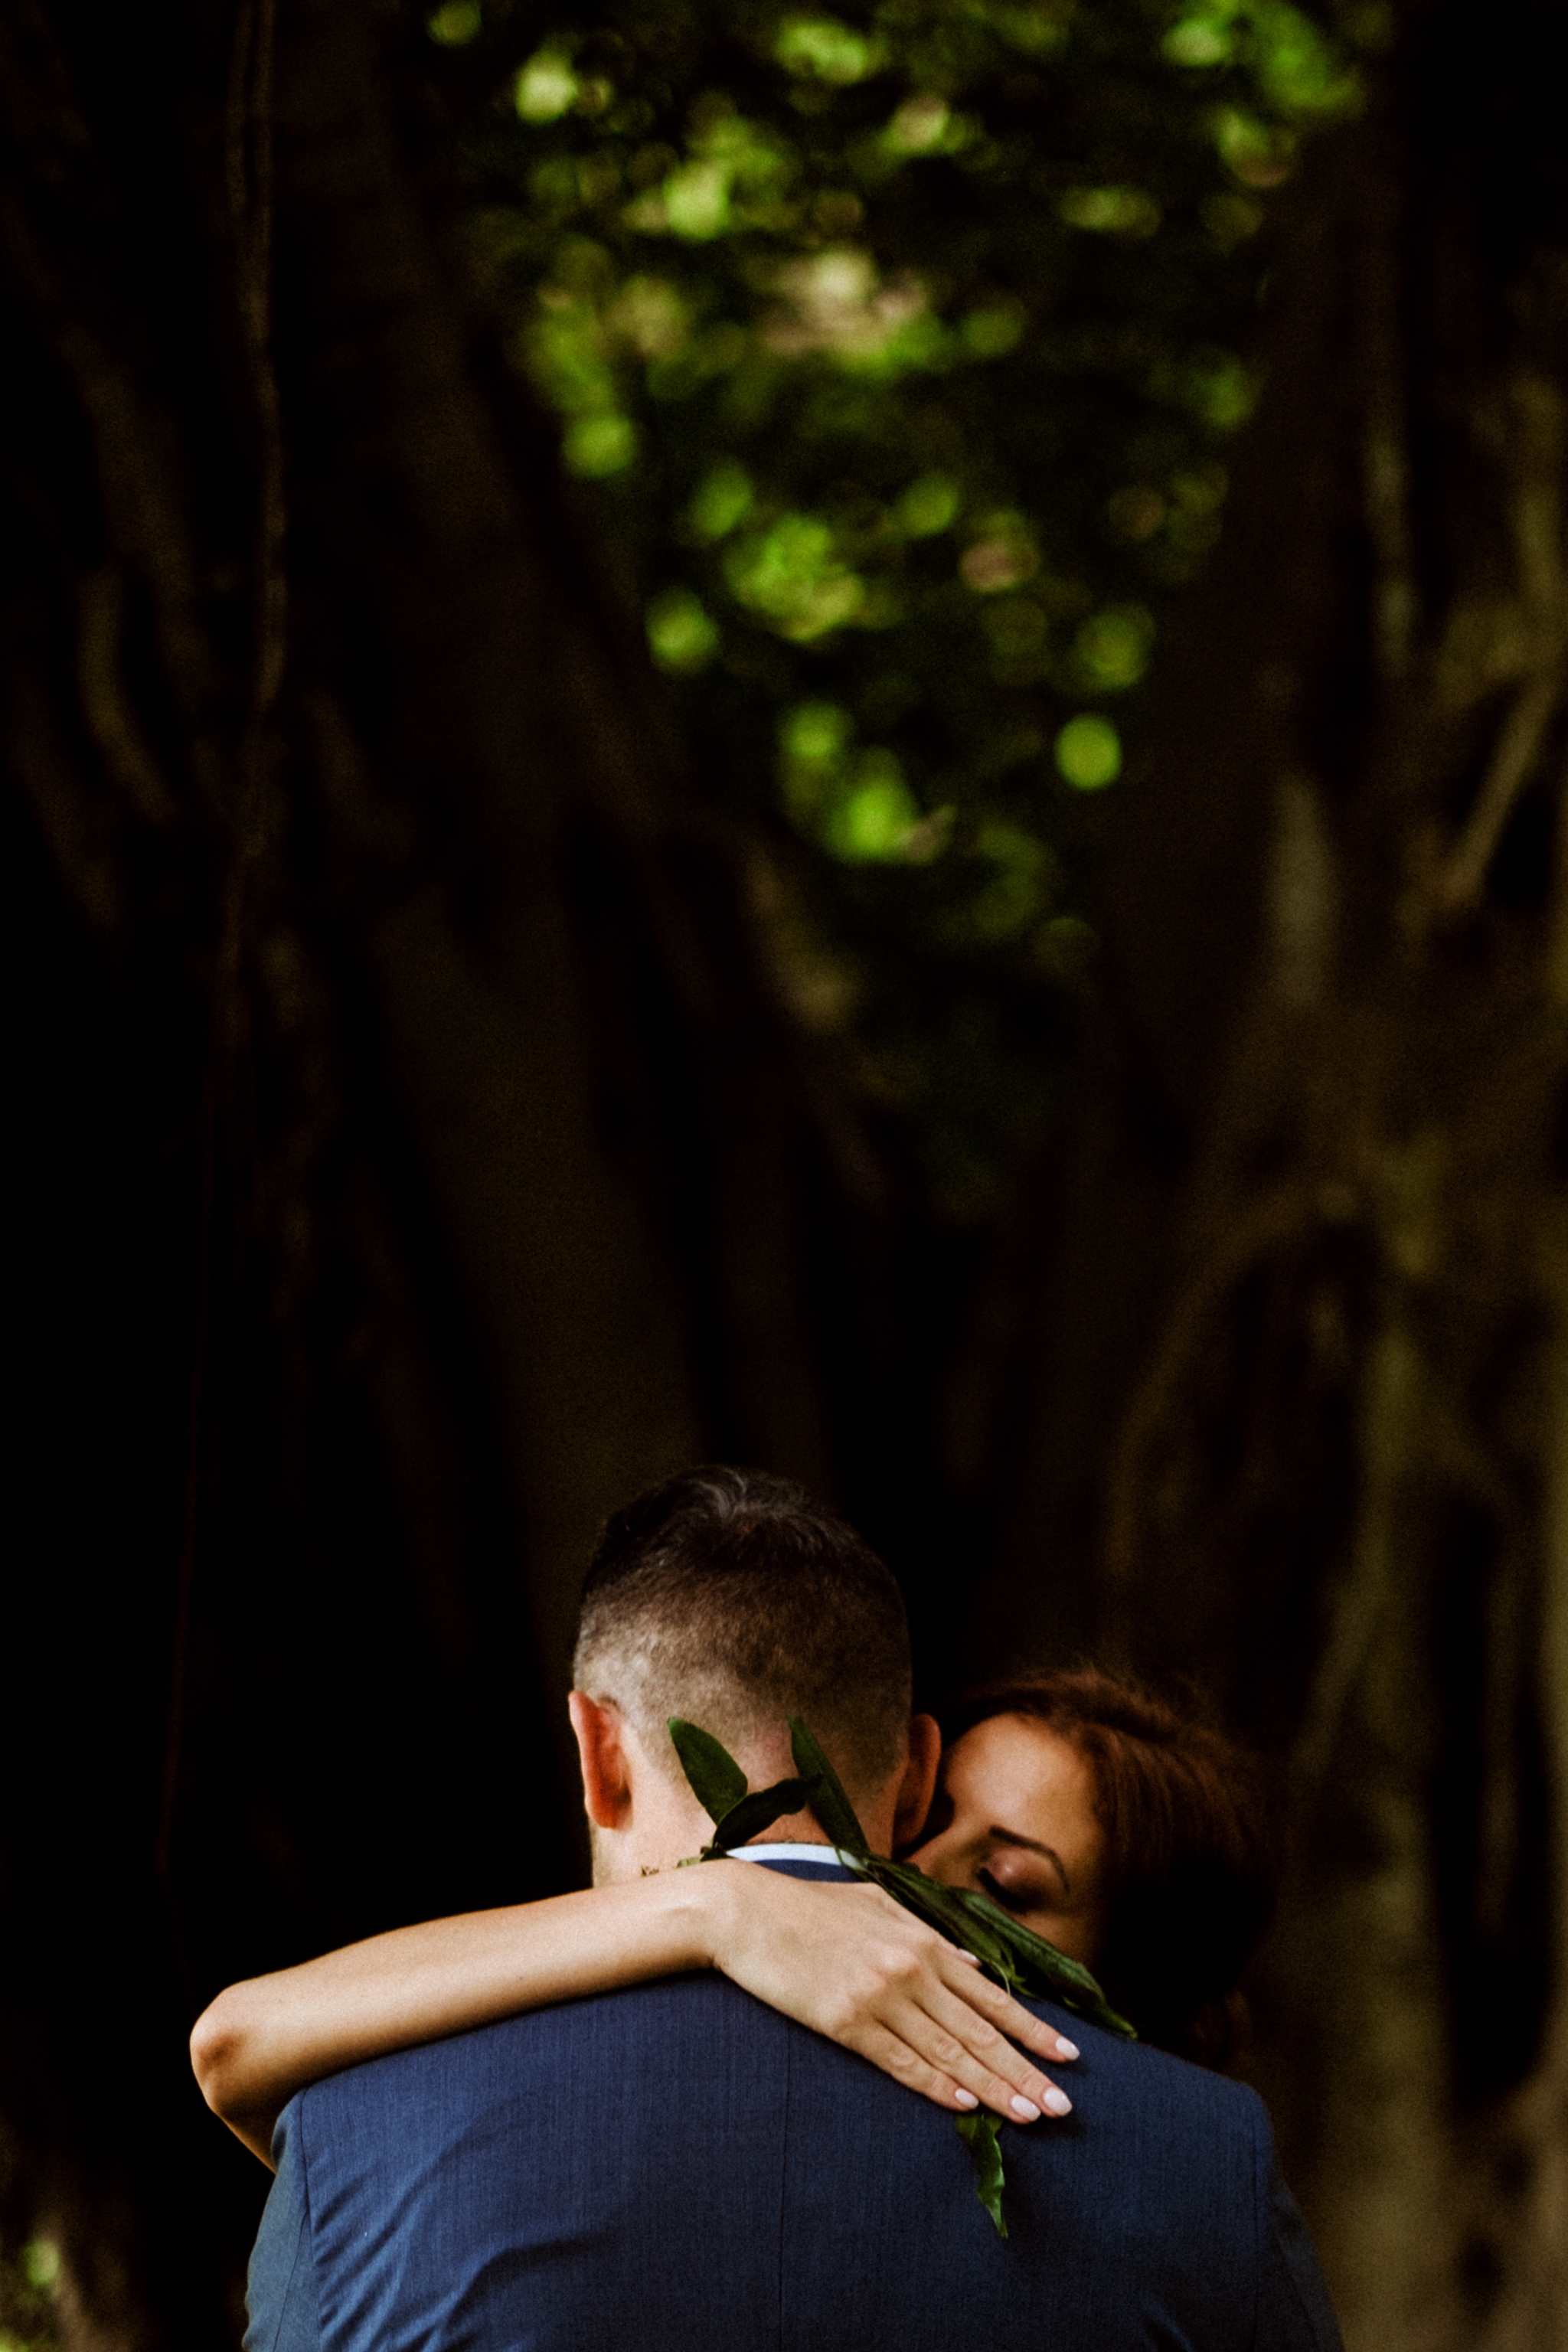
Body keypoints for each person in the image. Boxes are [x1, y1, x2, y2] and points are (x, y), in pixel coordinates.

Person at [234, 1466, 1342, 2352]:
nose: (927, 1901)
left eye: (1009, 1888)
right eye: (937, 1830)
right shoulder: (1208, 2168)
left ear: (594, 1749)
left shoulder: (358, 2136)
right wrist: (715, 1909)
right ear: (912, 1777)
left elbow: (234, 2049)